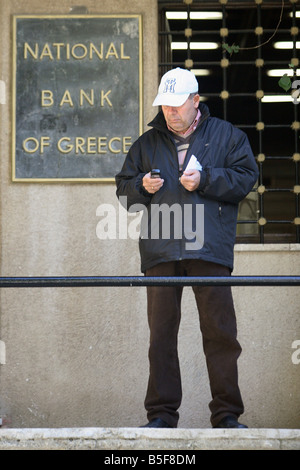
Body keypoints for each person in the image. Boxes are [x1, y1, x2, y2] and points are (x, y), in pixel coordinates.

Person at [115, 67, 258, 429]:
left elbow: (245, 178)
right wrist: (140, 188)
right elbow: (123, 190)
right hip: (161, 251)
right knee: (161, 336)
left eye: (177, 105)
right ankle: (161, 416)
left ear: (196, 101)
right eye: (165, 105)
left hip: (209, 249)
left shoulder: (228, 137)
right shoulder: (145, 144)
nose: (170, 112)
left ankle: (226, 415)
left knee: (220, 333)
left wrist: (207, 178)